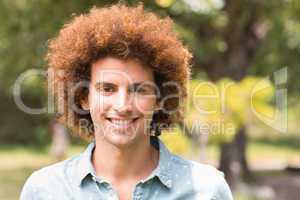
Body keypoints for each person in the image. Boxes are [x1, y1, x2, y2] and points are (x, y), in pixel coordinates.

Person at [20, 3, 233, 200]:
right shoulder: (46, 190)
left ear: (160, 98)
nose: (123, 106)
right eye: (108, 88)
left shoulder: (206, 189)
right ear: (83, 98)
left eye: (139, 90)